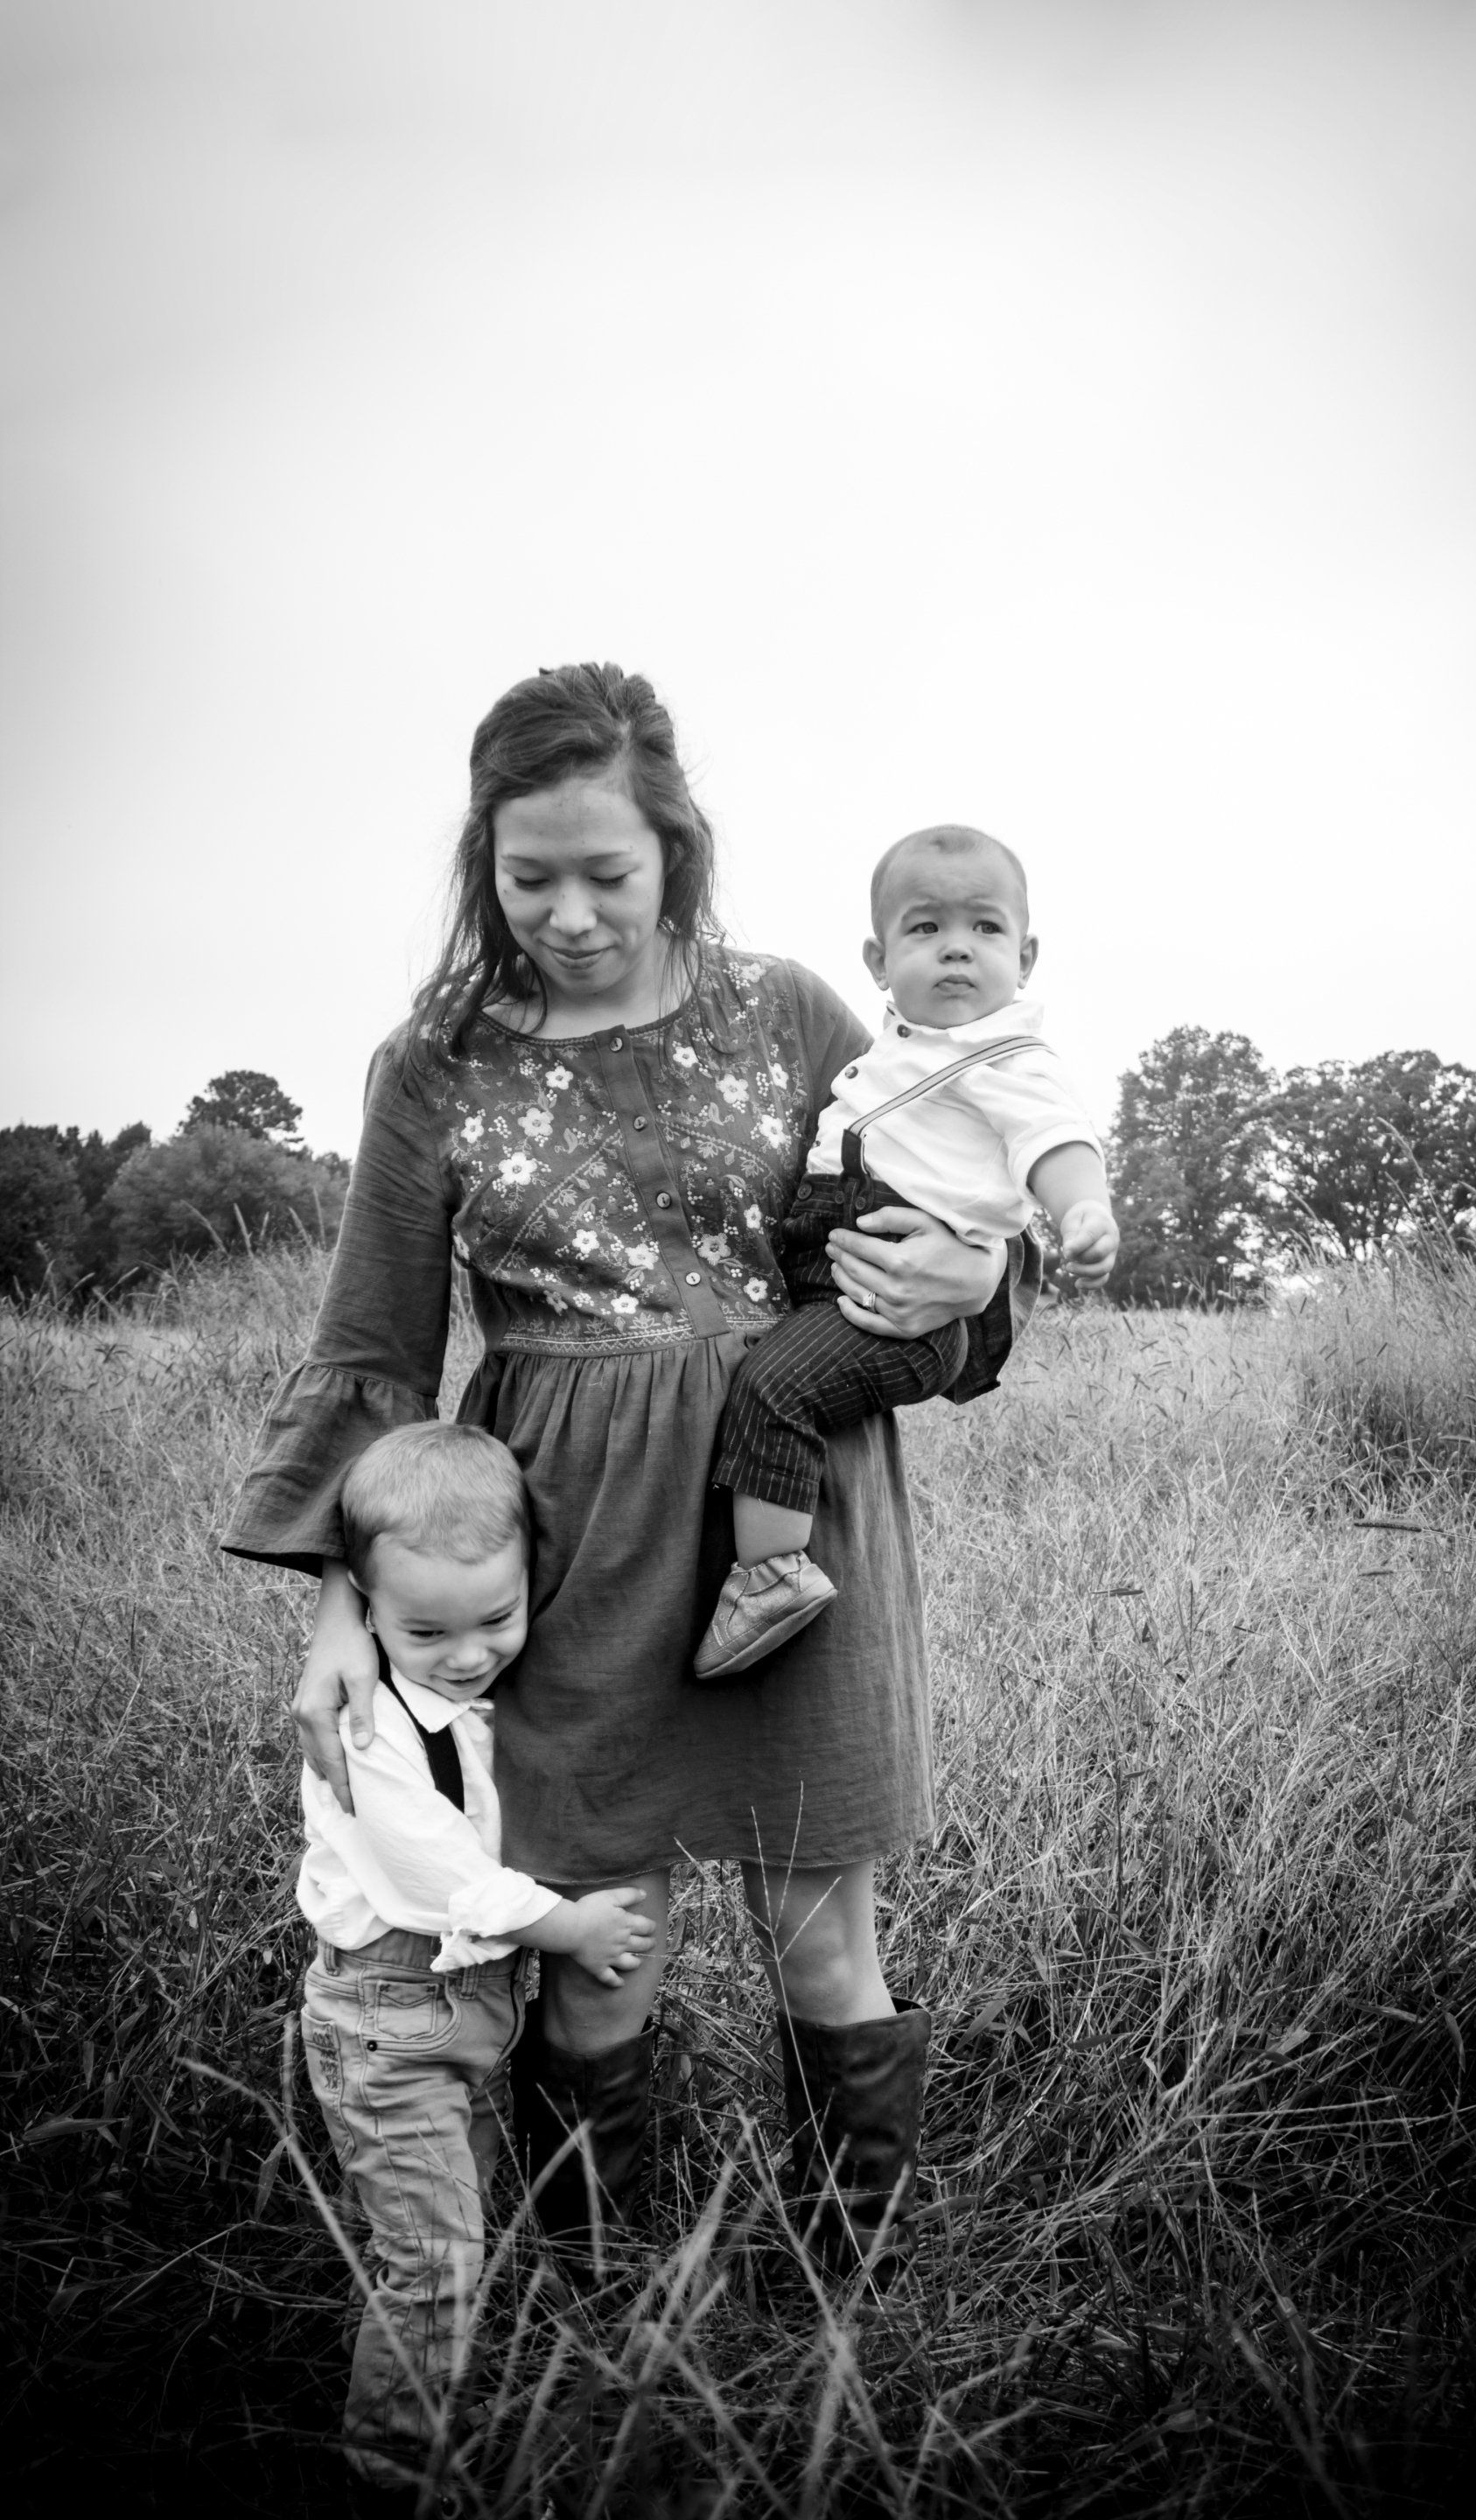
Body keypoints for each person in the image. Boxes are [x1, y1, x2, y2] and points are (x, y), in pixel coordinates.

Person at [223, 661, 1038, 2305]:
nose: (576, 914)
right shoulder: (431, 1064)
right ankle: (605, 2301)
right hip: (566, 1546)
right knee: (600, 1954)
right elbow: (377, 1352)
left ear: (678, 847)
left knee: (824, 1934)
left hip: (790, 1527)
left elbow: (943, 1260)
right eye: (534, 878)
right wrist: (335, 1607)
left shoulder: (799, 1010)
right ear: (484, 862)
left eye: (612, 873)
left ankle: (831, 2308)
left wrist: (969, 1294)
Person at [295, 1421, 654, 2509]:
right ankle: (394, 2474)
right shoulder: (368, 1725)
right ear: (361, 1599)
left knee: (462, 2231)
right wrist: (572, 1930)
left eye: (496, 1618)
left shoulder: (472, 1690)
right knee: (435, 2264)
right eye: (426, 1630)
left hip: (468, 2015)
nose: (466, 1653)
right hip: (389, 2020)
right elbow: (442, 1872)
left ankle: (448, 2413)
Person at [694, 823, 1117, 1679]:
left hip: (901, 1312)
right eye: (926, 929)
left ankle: (768, 1577)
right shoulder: (892, 1051)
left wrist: (1083, 1210)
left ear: (1026, 956)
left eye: (985, 929)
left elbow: (1053, 1140)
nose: (957, 950)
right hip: (840, 1275)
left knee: (774, 1387)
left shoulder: (1009, 1058)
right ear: (878, 960)